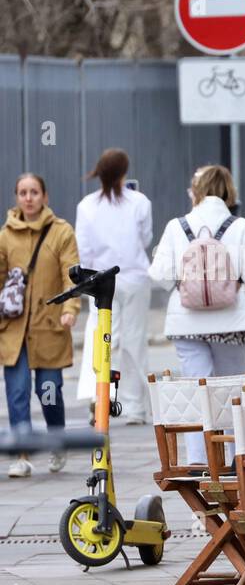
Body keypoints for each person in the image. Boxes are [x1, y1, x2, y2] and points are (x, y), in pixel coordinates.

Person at [149, 164, 245, 462]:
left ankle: (199, 462)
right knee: (232, 392)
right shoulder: (241, 227)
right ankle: (235, 459)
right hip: (233, 321)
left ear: (198, 192)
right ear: (229, 191)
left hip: (186, 322)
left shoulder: (176, 226)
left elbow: (160, 275)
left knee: (197, 390)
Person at [0, 173, 80, 477]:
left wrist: (70, 308)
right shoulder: (6, 235)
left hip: (50, 326)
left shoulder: (61, 232)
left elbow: (70, 275)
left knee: (49, 390)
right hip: (14, 328)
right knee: (17, 391)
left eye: (34, 192)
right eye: (23, 192)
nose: (28, 197)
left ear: (44, 196)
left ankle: (56, 439)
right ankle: (20, 454)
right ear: (17, 197)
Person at [74, 149, 153, 424]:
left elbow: (83, 249)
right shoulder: (140, 202)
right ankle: (134, 407)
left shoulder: (86, 206)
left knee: (99, 338)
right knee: (133, 342)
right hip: (133, 277)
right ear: (124, 172)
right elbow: (145, 239)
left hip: (98, 280)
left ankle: (96, 396)